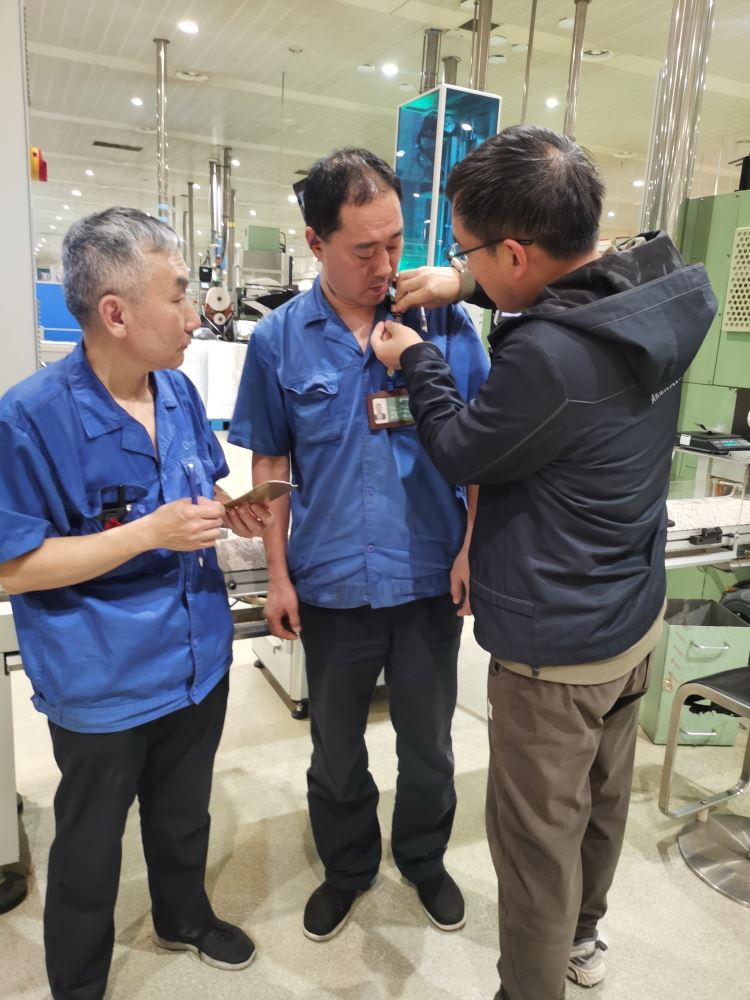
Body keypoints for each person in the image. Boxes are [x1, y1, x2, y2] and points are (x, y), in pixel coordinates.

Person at [370, 125, 716, 1000]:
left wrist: (418, 358)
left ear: (517, 252)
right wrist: (464, 285)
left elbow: (461, 448)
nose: (462, 266)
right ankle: (585, 937)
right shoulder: (662, 288)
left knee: (533, 846)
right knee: (601, 804)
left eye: (468, 251)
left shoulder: (547, 358)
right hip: (631, 620)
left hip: (553, 650)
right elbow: (575, 301)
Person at [0, 207, 270, 1000]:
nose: (196, 314)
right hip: (102, 678)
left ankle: (183, 917)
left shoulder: (177, 391)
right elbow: (13, 568)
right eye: (179, 295)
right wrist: (150, 533)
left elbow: (197, 490)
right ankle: (78, 981)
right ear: (115, 313)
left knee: (184, 813)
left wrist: (227, 512)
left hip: (196, 657)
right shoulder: (30, 418)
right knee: (90, 842)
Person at [229, 147, 490, 941]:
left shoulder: (444, 322)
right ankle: (347, 868)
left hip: (427, 577)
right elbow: (271, 464)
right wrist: (277, 574)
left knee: (429, 743)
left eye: (396, 243)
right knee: (335, 749)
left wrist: (471, 547)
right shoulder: (280, 340)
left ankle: (423, 857)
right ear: (315, 243)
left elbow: (483, 448)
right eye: (363, 249)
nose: (385, 266)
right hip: (332, 582)